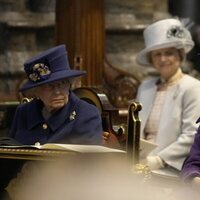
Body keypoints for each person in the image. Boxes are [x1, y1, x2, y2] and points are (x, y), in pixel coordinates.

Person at [135, 18, 200, 173]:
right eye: (157, 54)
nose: (163, 59)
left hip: (172, 168)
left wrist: (159, 160)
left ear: (180, 55)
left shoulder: (193, 87)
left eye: (169, 53)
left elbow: (191, 135)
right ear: (151, 59)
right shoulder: (145, 87)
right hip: (140, 164)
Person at [9, 44, 102, 145]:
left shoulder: (86, 114)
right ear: (36, 91)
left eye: (62, 83)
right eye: (49, 86)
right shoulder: (24, 112)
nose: (57, 91)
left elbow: (89, 159)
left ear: (69, 84)